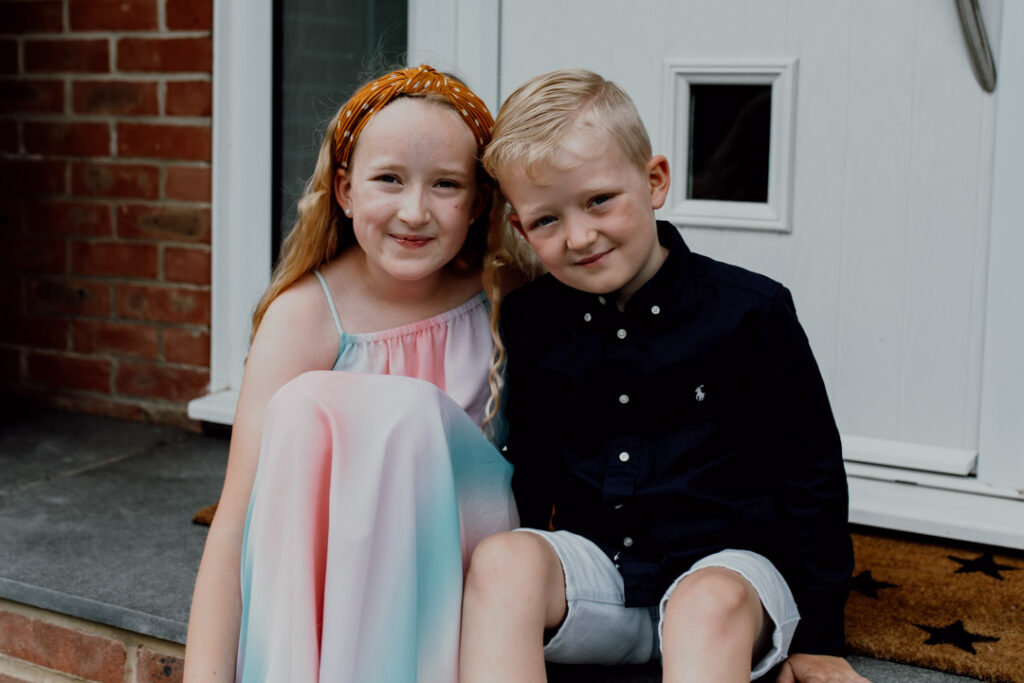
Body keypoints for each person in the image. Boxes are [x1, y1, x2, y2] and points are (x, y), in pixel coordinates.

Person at [462, 69, 865, 683]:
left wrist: (820, 638)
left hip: (728, 581)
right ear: (521, 228)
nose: (580, 236)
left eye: (599, 200)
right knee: (501, 560)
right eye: (546, 221)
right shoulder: (531, 319)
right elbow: (534, 465)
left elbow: (812, 476)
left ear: (654, 182)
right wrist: (526, 584)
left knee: (705, 604)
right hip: (603, 580)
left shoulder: (752, 312)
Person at [183, 65, 517, 683]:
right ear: (344, 190)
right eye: (389, 179)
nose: (414, 211)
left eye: (445, 185)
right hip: (337, 579)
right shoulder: (306, 315)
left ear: (477, 204)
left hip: (460, 571)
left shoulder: (504, 295)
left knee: (410, 414)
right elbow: (235, 521)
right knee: (305, 405)